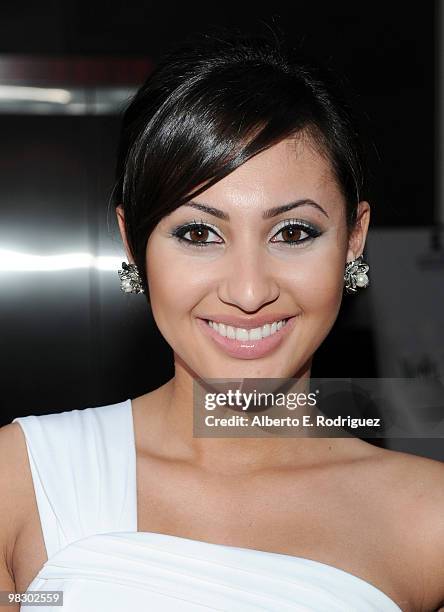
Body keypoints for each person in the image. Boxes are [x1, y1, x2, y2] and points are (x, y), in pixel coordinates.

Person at [1, 33, 443, 612]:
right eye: (198, 233)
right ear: (133, 242)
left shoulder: (427, 520)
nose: (250, 291)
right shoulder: (24, 480)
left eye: (293, 233)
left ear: (354, 239)